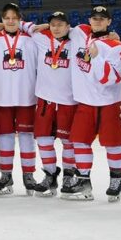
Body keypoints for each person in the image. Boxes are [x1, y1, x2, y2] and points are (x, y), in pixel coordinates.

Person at [63, 5, 121, 201]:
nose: (98, 21)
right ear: (89, 20)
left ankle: (116, 179)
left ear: (109, 21)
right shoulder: (79, 32)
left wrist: (96, 57)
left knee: (113, 143)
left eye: (102, 18)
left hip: (109, 103)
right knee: (80, 141)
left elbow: (111, 79)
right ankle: (84, 180)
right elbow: (56, 27)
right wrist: (25, 26)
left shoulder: (118, 47)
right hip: (84, 102)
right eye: (95, 18)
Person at [0, 3, 41, 196]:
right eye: (7, 18)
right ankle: (6, 175)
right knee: (5, 138)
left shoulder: (33, 39)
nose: (10, 21)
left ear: (20, 19)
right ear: (2, 19)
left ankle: (28, 175)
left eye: (14, 18)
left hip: (27, 97)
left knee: (26, 138)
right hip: (2, 98)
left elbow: (61, 32)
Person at [29, 11, 78, 196]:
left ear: (68, 26)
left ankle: (68, 174)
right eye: (53, 24)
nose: (56, 28)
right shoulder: (41, 38)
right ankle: (50, 174)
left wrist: (111, 35)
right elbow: (23, 27)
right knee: (43, 140)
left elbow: (93, 33)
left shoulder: (77, 40)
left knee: (68, 142)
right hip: (44, 99)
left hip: (68, 100)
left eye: (60, 24)